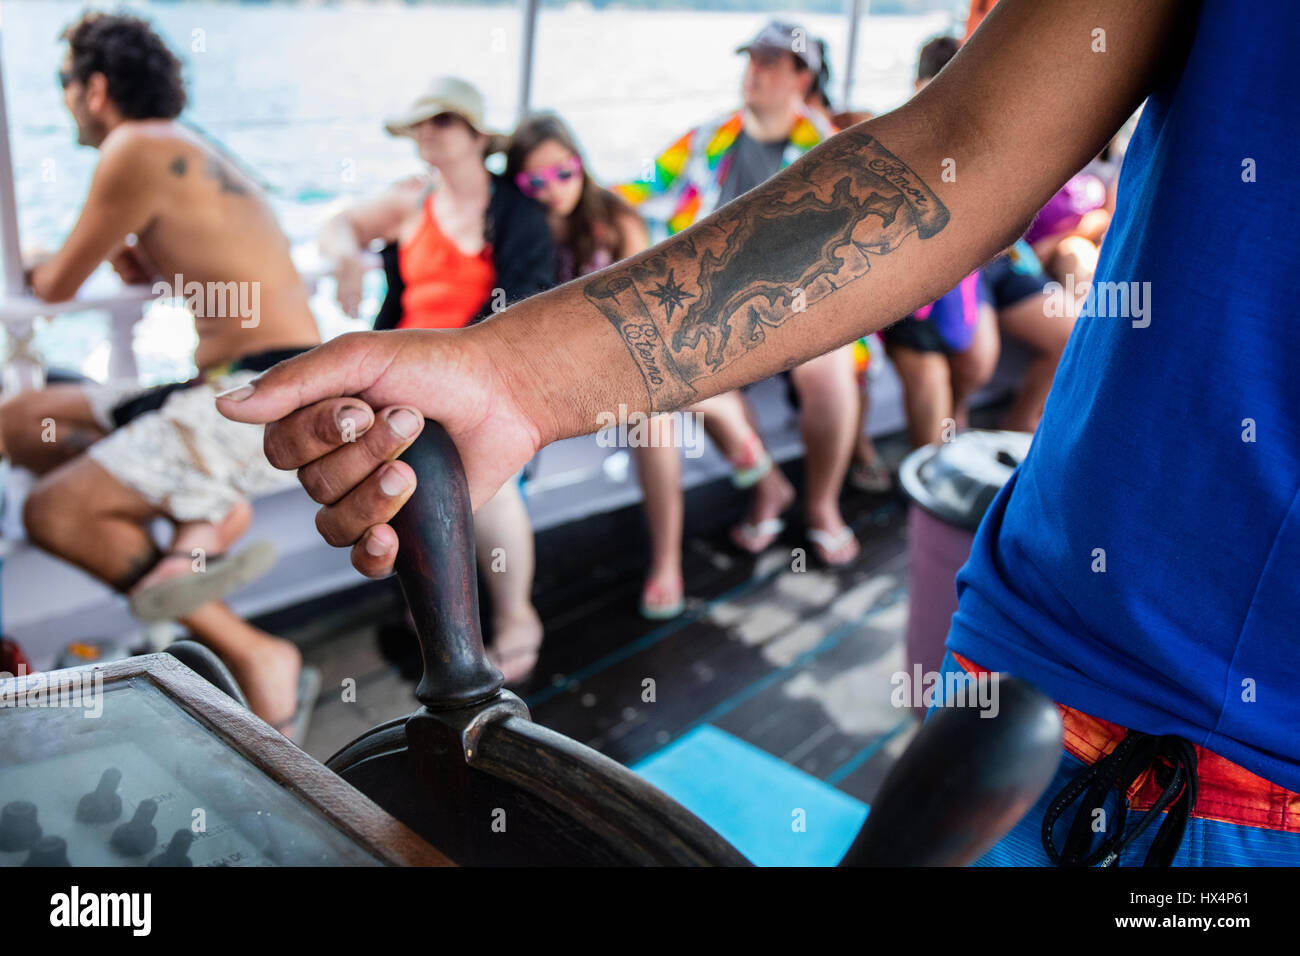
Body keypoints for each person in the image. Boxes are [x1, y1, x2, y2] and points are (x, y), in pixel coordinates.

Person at [224, 0, 1300, 864]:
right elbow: (956, 152)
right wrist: (512, 376)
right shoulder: (719, 141)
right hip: (1035, 669)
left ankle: (816, 499)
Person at [13, 12, 322, 737]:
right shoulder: (192, 148)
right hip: (246, 379)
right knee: (20, 425)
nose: (63, 101)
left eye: (63, 84)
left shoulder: (131, 147)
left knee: (50, 511)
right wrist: (149, 259)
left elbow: (56, 285)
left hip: (248, 398)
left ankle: (257, 651)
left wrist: (26, 264)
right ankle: (201, 516)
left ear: (95, 89)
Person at [319, 77, 554, 682]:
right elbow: (340, 223)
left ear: (478, 136)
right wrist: (347, 256)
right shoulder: (408, 201)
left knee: (486, 478)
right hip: (398, 373)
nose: (429, 132)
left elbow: (525, 308)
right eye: (421, 123)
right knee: (385, 465)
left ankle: (516, 616)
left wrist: (455, 367)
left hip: (485, 371)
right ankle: (436, 611)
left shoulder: (516, 213)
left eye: (443, 121)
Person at [613, 21, 861, 566]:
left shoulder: (829, 150)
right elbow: (642, 187)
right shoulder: (708, 137)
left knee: (830, 368)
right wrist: (571, 191)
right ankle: (766, 488)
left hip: (802, 300)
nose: (755, 71)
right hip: (712, 299)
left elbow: (845, 245)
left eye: (771, 62)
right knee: (683, 351)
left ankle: (821, 506)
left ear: (802, 77)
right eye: (752, 59)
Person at [506, 114, 773, 620]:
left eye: (564, 172)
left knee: (655, 411)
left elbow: (641, 309)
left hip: (633, 345)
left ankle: (668, 563)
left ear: (580, 163)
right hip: (573, 360)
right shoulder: (525, 227)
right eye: (535, 181)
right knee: (679, 394)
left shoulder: (613, 217)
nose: (553, 189)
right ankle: (757, 467)